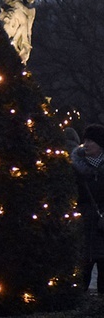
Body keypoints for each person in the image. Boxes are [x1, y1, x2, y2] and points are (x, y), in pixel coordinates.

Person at [72, 124, 104, 293]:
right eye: (85, 140)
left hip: (101, 226)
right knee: (82, 271)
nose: (86, 144)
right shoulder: (76, 168)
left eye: (90, 141)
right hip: (83, 222)